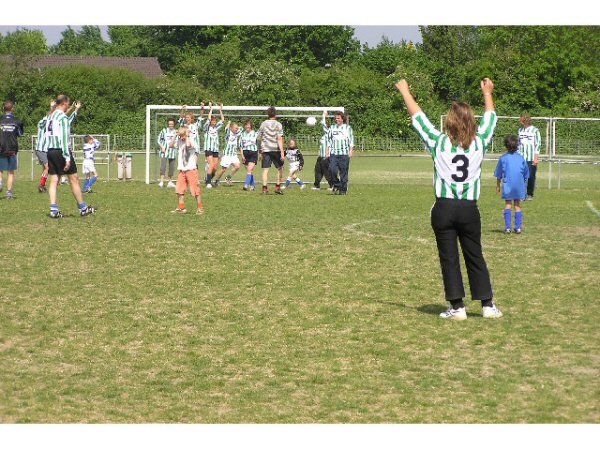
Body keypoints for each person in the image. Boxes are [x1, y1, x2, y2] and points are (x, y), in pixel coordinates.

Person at [395, 77, 502, 320]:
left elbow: (418, 118)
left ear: (450, 123)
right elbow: (491, 118)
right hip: (468, 209)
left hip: (443, 208)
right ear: (471, 122)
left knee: (449, 257)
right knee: (475, 254)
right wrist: (487, 93)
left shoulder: (438, 142)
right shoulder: (480, 142)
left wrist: (405, 91)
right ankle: (487, 305)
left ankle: (457, 306)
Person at [44, 94, 95, 218]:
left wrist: (74, 110)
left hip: (50, 150)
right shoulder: (62, 117)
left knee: (54, 180)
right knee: (74, 178)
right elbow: (64, 138)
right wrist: (67, 158)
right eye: (68, 103)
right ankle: (83, 208)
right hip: (61, 151)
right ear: (65, 103)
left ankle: (53, 210)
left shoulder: (49, 116)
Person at [495, 135, 529, 234]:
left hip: (508, 184)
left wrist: (498, 186)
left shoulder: (503, 158)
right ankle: (518, 228)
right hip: (519, 185)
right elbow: (526, 174)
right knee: (517, 205)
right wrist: (523, 184)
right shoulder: (521, 158)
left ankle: (508, 228)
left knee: (508, 204)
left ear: (506, 145)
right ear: (518, 145)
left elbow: (499, 174)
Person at [171, 127, 204, 215]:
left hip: (191, 169)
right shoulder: (179, 141)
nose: (181, 137)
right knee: (179, 189)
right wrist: (175, 135)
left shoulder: (191, 140)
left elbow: (189, 145)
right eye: (180, 136)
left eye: (182, 135)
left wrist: (187, 135)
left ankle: (200, 208)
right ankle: (182, 208)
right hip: (182, 170)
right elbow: (171, 145)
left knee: (195, 189)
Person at [257, 106, 285, 195]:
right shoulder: (278, 124)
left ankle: (264, 189)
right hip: (275, 149)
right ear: (275, 114)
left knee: (265, 169)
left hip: (265, 149)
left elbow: (258, 138)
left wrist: (259, 150)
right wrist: (282, 152)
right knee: (280, 168)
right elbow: (279, 138)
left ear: (267, 114)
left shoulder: (263, 124)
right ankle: (277, 187)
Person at [0, 100, 24, 200]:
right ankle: (9, 193)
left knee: (0, 170)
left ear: (3, 109)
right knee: (10, 172)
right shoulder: (17, 121)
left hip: (1, 148)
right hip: (12, 149)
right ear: (12, 109)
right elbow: (20, 134)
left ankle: (0, 183)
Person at [327, 111, 354, 195]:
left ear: (342, 119)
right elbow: (328, 140)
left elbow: (351, 140)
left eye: (338, 118)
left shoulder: (348, 128)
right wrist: (327, 151)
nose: (336, 119)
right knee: (332, 170)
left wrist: (351, 151)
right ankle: (337, 184)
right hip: (334, 153)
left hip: (344, 154)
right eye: (336, 118)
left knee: (343, 173)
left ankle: (343, 190)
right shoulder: (332, 128)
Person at [518, 113, 541, 200]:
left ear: (525, 120)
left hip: (531, 157)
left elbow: (538, 144)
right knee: (520, 176)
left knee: (531, 176)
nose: (520, 121)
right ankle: (521, 194)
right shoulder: (520, 130)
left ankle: (530, 194)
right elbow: (519, 144)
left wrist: (536, 157)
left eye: (521, 120)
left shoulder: (535, 130)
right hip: (521, 157)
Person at [35, 100, 57, 193]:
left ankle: (42, 185)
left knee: (45, 168)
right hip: (41, 149)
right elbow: (48, 117)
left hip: (45, 149)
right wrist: (52, 108)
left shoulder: (49, 123)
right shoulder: (42, 122)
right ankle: (41, 185)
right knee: (48, 168)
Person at [59, 101, 82, 185]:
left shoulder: (57, 120)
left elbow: (64, 114)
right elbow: (72, 116)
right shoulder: (66, 123)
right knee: (72, 170)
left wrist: (71, 107)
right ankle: (65, 179)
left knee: (61, 165)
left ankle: (62, 179)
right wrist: (76, 108)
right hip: (65, 148)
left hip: (57, 148)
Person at [202, 102, 224, 188]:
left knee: (214, 167)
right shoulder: (207, 128)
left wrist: (220, 110)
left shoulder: (216, 128)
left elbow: (222, 121)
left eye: (215, 121)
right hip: (208, 148)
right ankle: (208, 183)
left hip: (215, 149)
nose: (214, 122)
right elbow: (208, 119)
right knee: (211, 164)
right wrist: (211, 109)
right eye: (212, 121)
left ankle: (208, 179)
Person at [213, 121, 241, 186]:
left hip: (233, 155)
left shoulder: (237, 133)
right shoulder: (228, 134)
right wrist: (229, 123)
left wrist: (237, 127)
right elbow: (226, 128)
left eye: (237, 128)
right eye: (235, 128)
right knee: (223, 170)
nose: (237, 129)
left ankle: (228, 178)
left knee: (237, 166)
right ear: (231, 128)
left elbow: (241, 129)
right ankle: (216, 181)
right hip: (227, 155)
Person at [313, 110, 333, 191]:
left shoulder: (328, 133)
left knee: (327, 172)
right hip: (321, 156)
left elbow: (323, 123)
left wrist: (324, 115)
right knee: (318, 170)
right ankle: (317, 185)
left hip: (326, 156)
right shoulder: (324, 135)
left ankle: (332, 185)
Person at [157, 118, 178, 188]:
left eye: (172, 124)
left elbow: (177, 141)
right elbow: (158, 140)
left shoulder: (176, 132)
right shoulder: (164, 130)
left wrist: (175, 145)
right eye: (169, 124)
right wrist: (162, 147)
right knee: (163, 166)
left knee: (171, 167)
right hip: (164, 152)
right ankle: (161, 181)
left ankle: (170, 182)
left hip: (173, 152)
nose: (170, 125)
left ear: (174, 124)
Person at [239, 120, 259, 191]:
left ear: (251, 126)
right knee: (249, 171)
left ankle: (246, 185)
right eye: (246, 125)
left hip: (253, 153)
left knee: (249, 169)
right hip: (245, 153)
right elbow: (241, 146)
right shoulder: (242, 134)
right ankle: (253, 185)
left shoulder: (255, 134)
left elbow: (259, 143)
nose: (247, 126)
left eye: (249, 125)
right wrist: (242, 156)